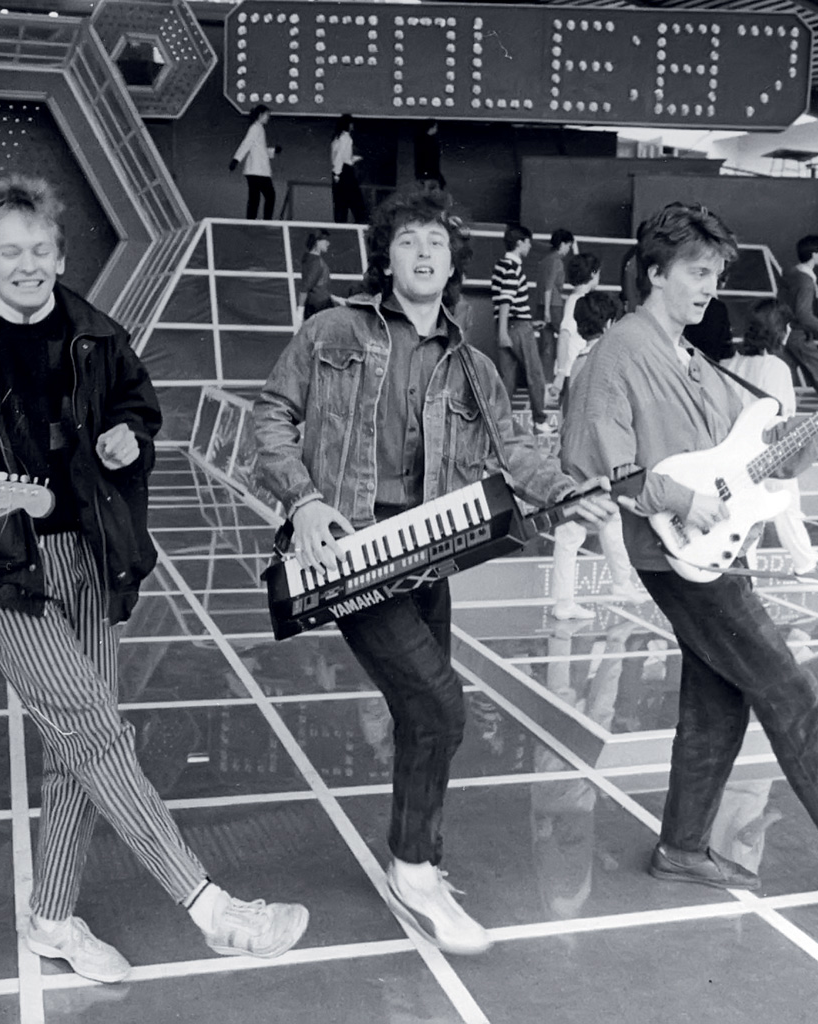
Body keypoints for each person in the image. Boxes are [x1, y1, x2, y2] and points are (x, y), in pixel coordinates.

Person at [0, 175, 309, 982]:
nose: (28, 264)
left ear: (60, 255)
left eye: (41, 249)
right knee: (94, 728)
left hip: (91, 555)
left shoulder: (99, 336)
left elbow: (139, 412)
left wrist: (127, 437)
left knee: (77, 745)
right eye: (10, 252)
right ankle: (209, 906)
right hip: (0, 566)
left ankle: (50, 918)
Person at [252, 184, 618, 955]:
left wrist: (565, 491)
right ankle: (414, 870)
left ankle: (415, 858)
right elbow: (272, 415)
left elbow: (512, 449)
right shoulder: (331, 330)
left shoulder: (473, 365)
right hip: (352, 552)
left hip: (429, 556)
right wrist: (305, 500)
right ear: (384, 257)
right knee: (441, 707)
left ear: (454, 265)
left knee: (424, 716)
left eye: (437, 243)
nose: (423, 252)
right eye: (408, 240)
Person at [565, 201, 818, 896]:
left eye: (715, 273)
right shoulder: (617, 353)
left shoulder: (694, 359)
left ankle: (682, 848)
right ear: (655, 273)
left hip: (717, 549)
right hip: (678, 553)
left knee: (716, 705)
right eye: (696, 271)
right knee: (793, 694)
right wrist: (684, 500)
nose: (709, 286)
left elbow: (760, 457)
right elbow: (600, 464)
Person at [551, 253, 636, 615]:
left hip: (574, 451)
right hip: (591, 457)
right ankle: (565, 601)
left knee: (608, 519)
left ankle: (621, 582)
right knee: (574, 530)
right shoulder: (603, 362)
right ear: (611, 324)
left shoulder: (579, 361)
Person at [723, 299, 818, 581]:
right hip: (770, 450)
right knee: (788, 509)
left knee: (746, 520)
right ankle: (805, 565)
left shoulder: (729, 363)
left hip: (735, 452)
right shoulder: (777, 367)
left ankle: (749, 577)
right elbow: (784, 413)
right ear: (780, 330)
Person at [491, 224, 552, 434]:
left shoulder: (500, 265)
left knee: (507, 379)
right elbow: (506, 300)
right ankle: (540, 420)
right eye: (527, 242)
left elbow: (505, 301)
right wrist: (505, 331)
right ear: (519, 243)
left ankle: (500, 425)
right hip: (517, 327)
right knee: (535, 373)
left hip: (508, 325)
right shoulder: (513, 268)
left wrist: (503, 330)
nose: (529, 246)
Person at [777, 234, 818, 404]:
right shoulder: (806, 282)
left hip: (782, 331)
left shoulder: (793, 274)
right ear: (814, 254)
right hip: (798, 334)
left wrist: (816, 290)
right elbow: (804, 315)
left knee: (785, 373)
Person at [538, 229, 575, 364]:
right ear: (562, 244)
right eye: (569, 246)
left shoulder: (545, 260)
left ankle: (546, 374)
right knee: (567, 337)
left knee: (546, 344)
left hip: (541, 304)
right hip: (554, 306)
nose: (569, 250)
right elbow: (549, 286)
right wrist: (548, 310)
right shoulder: (557, 262)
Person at [330, 113, 367, 224]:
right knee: (356, 201)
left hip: (339, 171)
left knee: (341, 202)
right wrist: (338, 173)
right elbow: (341, 157)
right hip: (344, 171)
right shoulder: (346, 138)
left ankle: (340, 225)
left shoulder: (336, 138)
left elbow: (338, 156)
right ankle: (360, 224)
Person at [297, 229, 338, 321]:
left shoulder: (311, 260)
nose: (328, 243)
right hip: (319, 307)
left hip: (320, 304)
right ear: (317, 242)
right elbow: (305, 287)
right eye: (325, 240)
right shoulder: (315, 262)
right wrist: (300, 310)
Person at [414, 119, 445, 189]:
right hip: (428, 174)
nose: (436, 129)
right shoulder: (429, 142)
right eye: (435, 127)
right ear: (431, 128)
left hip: (426, 174)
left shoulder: (422, 140)